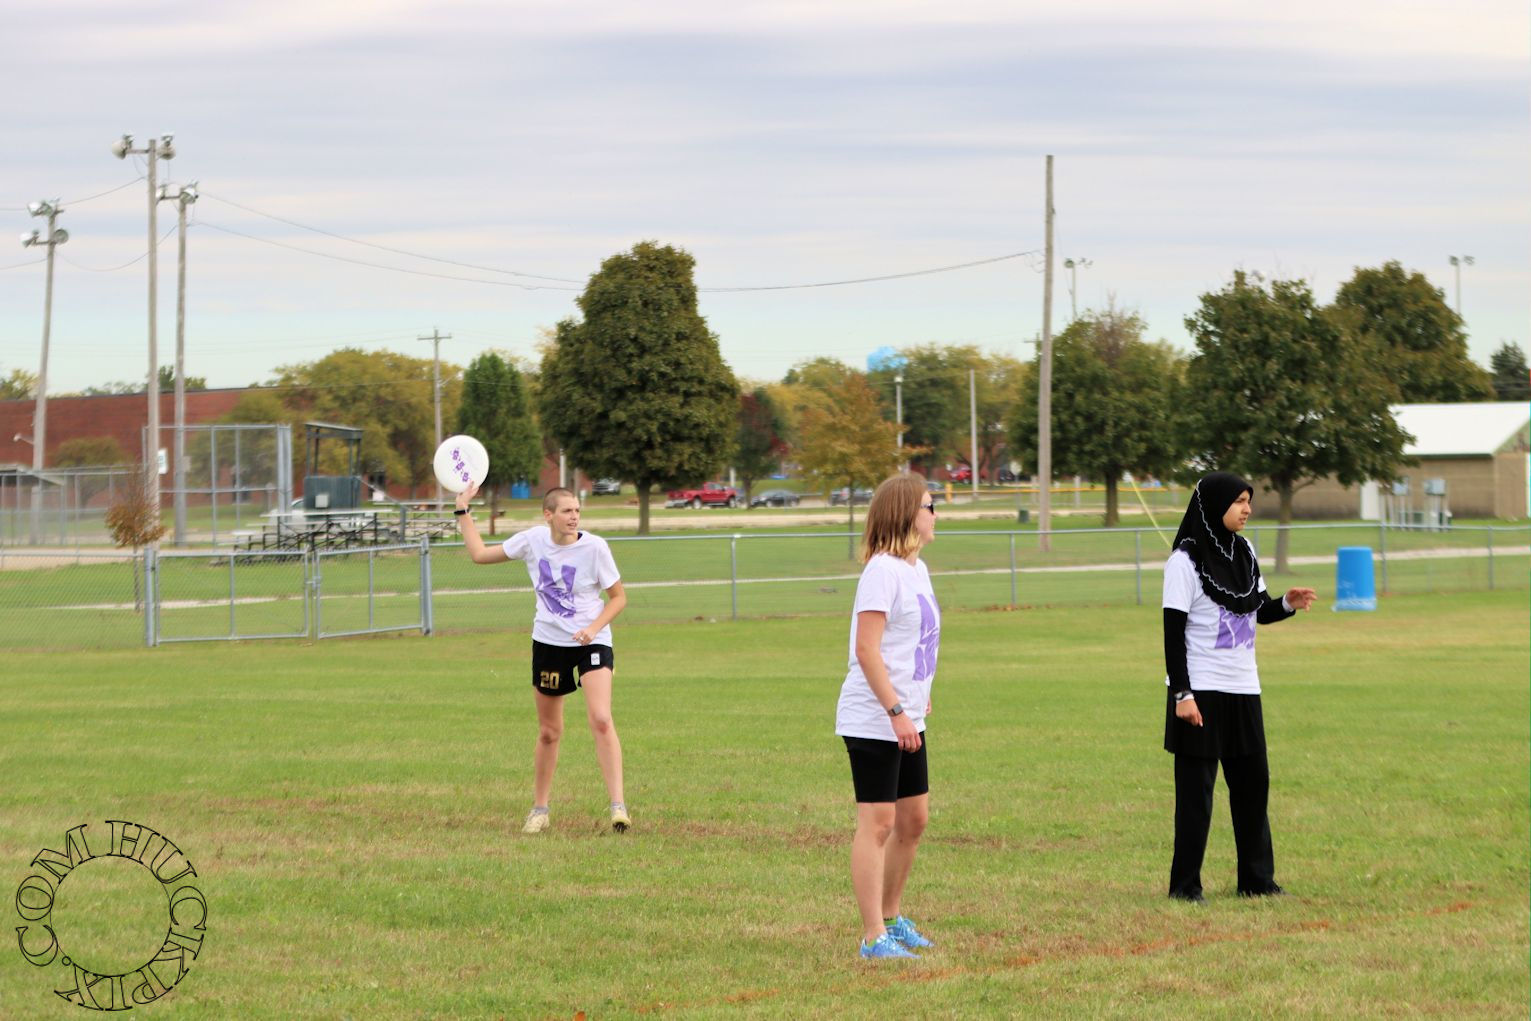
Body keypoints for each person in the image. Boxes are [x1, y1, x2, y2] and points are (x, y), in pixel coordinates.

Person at [1162, 472, 1316, 902]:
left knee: (1253, 786)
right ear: (1215, 506)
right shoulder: (1184, 562)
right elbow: (1172, 634)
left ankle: (1256, 880)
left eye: (1249, 500)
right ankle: (1185, 887)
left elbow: (1256, 612)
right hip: (1201, 691)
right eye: (1239, 501)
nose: (1247, 509)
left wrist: (1286, 604)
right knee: (1197, 796)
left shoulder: (1245, 552)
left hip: (1244, 688)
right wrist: (1182, 695)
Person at [455, 482, 631, 834]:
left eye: (578, 510)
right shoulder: (532, 540)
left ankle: (618, 807)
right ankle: (540, 809)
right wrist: (463, 511)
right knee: (550, 732)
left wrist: (593, 629)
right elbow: (479, 554)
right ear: (548, 515)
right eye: (567, 511)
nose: (574, 517)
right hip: (549, 645)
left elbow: (618, 598)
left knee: (600, 717)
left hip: (592, 643)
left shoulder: (596, 547)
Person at [835, 473, 942, 960]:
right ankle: (872, 936)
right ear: (905, 514)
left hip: (907, 713)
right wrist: (896, 708)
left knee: (913, 820)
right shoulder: (882, 570)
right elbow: (866, 649)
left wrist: (921, 696)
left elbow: (915, 644)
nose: (935, 514)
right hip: (874, 717)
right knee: (877, 823)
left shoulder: (916, 569)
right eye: (928, 505)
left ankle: (894, 917)